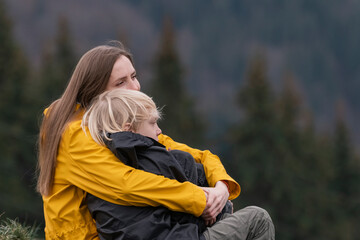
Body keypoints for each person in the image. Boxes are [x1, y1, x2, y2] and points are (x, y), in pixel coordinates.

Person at [36, 41, 275, 239]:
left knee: (225, 208)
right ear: (96, 92)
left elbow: (194, 154)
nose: (135, 87)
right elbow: (126, 184)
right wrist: (200, 199)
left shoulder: (112, 125)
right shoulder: (75, 134)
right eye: (121, 83)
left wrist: (221, 187)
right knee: (256, 220)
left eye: (133, 76)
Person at [81, 89, 232, 240]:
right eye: (153, 123)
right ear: (129, 129)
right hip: (186, 234)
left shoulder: (96, 167)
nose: (159, 130)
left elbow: (203, 156)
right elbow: (184, 217)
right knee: (254, 218)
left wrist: (222, 187)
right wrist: (210, 203)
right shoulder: (152, 159)